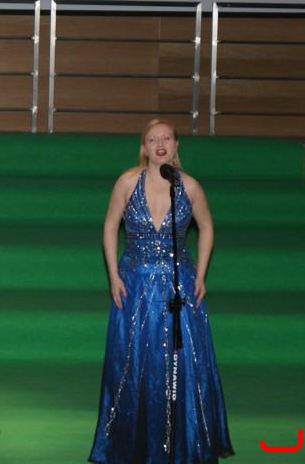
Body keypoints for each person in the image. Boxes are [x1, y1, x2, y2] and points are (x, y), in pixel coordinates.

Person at [89, 119, 233, 463]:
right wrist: (113, 275)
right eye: (152, 139)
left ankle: (181, 441)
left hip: (177, 286)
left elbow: (207, 226)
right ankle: (133, 443)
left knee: (180, 363)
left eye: (166, 138)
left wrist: (201, 274)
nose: (160, 144)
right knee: (132, 363)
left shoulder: (190, 186)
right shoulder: (127, 182)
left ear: (176, 144)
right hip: (135, 283)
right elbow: (109, 226)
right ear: (144, 147)